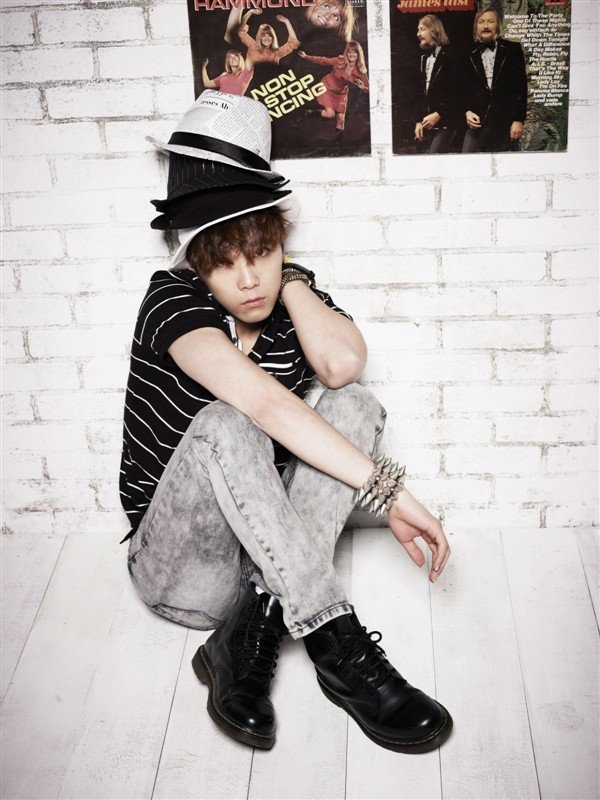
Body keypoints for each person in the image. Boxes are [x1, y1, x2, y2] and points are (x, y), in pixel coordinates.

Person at [122, 91, 453, 755]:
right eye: (226, 261)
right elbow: (266, 405)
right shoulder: (173, 300)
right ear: (197, 263)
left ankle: (246, 636)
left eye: (262, 252)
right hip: (179, 569)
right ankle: (340, 647)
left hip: (264, 562)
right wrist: (390, 494)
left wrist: (294, 281)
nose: (249, 280)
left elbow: (342, 365)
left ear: (282, 246)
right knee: (230, 419)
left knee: (355, 403)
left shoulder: (290, 298)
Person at [462, 7, 527, 153]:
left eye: (490, 21)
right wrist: (467, 112)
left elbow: (521, 88)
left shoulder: (513, 49)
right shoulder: (467, 53)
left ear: (497, 26)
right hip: (477, 124)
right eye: (481, 22)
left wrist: (518, 120)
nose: (486, 25)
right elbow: (462, 89)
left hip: (505, 125)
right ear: (476, 27)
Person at [299, 40, 369, 142]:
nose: (351, 54)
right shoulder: (339, 60)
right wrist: (306, 56)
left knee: (341, 119)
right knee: (330, 114)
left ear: (359, 54)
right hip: (328, 86)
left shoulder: (361, 70)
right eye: (349, 51)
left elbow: (369, 90)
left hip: (341, 92)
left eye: (354, 52)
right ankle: (312, 112)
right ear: (346, 53)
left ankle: (338, 145)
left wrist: (363, 88)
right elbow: (323, 60)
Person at [413, 14, 462, 154]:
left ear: (434, 30)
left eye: (422, 29)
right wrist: (418, 121)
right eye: (418, 30)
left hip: (448, 124)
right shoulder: (423, 59)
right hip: (428, 126)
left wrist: (439, 114)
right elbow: (420, 95)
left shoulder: (452, 57)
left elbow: (458, 93)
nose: (418, 34)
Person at [224, 8, 300, 67]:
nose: (267, 38)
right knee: (230, 35)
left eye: (269, 35)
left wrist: (287, 22)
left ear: (273, 38)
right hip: (250, 80)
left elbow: (293, 43)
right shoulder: (253, 46)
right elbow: (240, 31)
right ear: (259, 37)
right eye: (263, 35)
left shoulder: (276, 53)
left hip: (269, 81)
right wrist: (250, 12)